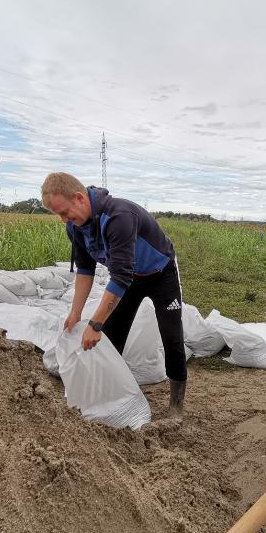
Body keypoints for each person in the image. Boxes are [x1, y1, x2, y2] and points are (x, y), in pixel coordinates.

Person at [40, 173, 187, 418]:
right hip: (130, 280)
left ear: (79, 198)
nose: (64, 220)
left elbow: (120, 277)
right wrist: (75, 313)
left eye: (65, 212)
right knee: (111, 337)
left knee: (171, 336)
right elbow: (85, 271)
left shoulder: (119, 216)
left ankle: (176, 405)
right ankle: (109, 396)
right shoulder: (76, 227)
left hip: (161, 275)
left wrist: (95, 323)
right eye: (60, 216)